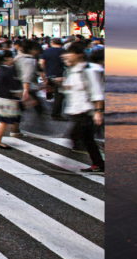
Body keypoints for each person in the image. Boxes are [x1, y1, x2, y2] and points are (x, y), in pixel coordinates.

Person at [61, 41, 105, 173]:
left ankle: (63, 165)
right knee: (87, 139)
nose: (67, 55)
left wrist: (98, 111)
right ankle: (98, 164)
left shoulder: (88, 70)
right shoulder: (72, 71)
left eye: (70, 53)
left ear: (79, 55)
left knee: (76, 136)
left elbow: (97, 92)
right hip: (75, 110)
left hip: (86, 111)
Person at [0, 50, 22, 149]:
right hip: (7, 98)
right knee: (4, 121)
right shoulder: (9, 70)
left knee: (4, 120)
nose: (12, 59)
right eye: (11, 57)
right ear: (7, 59)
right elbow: (14, 85)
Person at [41, 38, 68, 121]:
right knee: (59, 96)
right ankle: (55, 114)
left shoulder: (46, 51)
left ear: (52, 43)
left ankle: (46, 109)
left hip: (49, 75)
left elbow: (41, 63)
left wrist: (44, 75)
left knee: (49, 91)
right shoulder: (64, 51)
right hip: (60, 76)